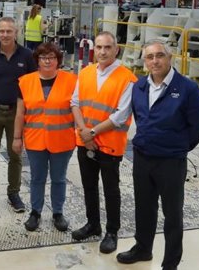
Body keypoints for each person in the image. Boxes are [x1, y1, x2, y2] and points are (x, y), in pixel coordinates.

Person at [116, 40, 199, 270]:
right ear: (144, 61)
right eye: (149, 57)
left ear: (170, 58)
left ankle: (170, 263)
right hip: (143, 158)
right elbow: (138, 118)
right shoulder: (139, 87)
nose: (154, 61)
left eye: (159, 56)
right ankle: (143, 248)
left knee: (172, 213)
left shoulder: (187, 88)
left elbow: (197, 128)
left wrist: (177, 148)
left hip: (171, 162)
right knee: (143, 207)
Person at [71, 31, 137, 254]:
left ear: (116, 49)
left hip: (109, 145)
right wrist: (83, 134)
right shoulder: (86, 72)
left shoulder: (127, 78)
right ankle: (93, 224)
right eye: (98, 47)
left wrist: (91, 133)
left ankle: (111, 231)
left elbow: (120, 115)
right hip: (85, 143)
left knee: (111, 190)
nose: (102, 52)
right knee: (89, 186)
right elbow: (75, 103)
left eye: (107, 47)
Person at [12, 42, 76, 232]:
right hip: (35, 140)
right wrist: (17, 138)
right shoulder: (25, 81)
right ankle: (35, 212)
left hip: (62, 140)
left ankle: (58, 212)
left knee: (59, 178)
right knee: (37, 178)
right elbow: (20, 113)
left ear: (58, 61)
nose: (47, 61)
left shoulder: (72, 81)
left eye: (51, 57)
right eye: (43, 57)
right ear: (37, 60)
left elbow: (78, 110)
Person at [0, 16, 36, 213]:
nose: (5, 35)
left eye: (9, 31)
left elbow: (32, 82)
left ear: (16, 32)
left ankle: (14, 193)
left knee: (15, 154)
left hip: (17, 113)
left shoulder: (27, 56)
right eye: (2, 31)